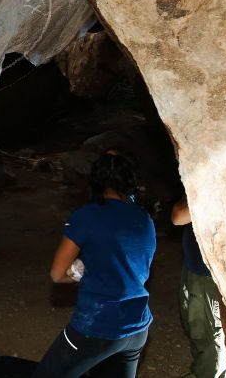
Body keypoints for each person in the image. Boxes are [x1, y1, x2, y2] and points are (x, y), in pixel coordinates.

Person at [32, 153, 156, 378]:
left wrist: (79, 271)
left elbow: (57, 274)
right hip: (138, 327)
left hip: (98, 327)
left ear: (95, 181)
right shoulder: (144, 217)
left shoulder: (87, 216)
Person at [171, 196, 226, 378]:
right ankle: (201, 371)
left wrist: (195, 190)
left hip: (209, 274)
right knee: (196, 328)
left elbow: (178, 216)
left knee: (210, 337)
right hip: (194, 266)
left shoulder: (215, 183)